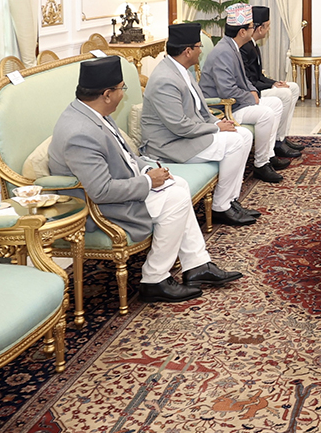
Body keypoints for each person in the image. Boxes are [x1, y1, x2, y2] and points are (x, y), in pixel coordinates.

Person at [50, 56, 243, 304]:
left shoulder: (92, 112)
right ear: (107, 94)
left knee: (179, 184)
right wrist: (149, 182)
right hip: (98, 208)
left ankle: (197, 265)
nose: (123, 94)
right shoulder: (80, 133)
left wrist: (149, 169)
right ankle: (155, 279)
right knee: (176, 198)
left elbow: (125, 156)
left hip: (120, 187)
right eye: (122, 88)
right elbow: (102, 191)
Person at [140, 22, 260, 224]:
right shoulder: (164, 80)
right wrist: (216, 128)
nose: (201, 51)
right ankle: (221, 207)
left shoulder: (182, 70)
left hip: (188, 135)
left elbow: (201, 111)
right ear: (188, 51)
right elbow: (179, 125)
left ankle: (230, 200)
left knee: (244, 135)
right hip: (170, 144)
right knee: (235, 142)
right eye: (199, 46)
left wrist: (219, 122)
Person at [200, 4, 293, 183]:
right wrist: (250, 97)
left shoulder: (233, 46)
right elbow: (226, 90)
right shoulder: (224, 52)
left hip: (237, 100)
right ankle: (261, 164)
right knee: (265, 114)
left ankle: (268, 154)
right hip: (223, 107)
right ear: (242, 32)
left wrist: (252, 90)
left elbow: (244, 78)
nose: (254, 29)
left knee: (275, 103)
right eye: (251, 27)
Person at [240, 5, 305, 154]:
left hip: (257, 86)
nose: (269, 29)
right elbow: (250, 81)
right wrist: (273, 86)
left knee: (293, 87)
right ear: (259, 28)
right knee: (285, 93)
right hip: (251, 92)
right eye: (268, 26)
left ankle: (282, 137)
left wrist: (275, 83)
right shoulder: (244, 48)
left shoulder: (253, 45)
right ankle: (276, 143)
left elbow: (259, 76)